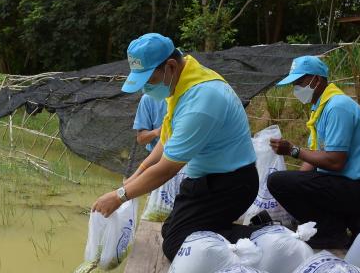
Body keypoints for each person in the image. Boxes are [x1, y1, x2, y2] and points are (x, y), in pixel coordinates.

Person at [92, 33, 259, 261]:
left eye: (148, 81)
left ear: (170, 66)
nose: (145, 90)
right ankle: (222, 230)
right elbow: (167, 140)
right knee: (169, 231)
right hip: (206, 178)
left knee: (176, 245)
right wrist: (137, 174)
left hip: (231, 184)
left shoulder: (202, 99)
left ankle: (264, 236)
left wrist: (120, 196)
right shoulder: (181, 84)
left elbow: (167, 169)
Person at [267, 55, 360, 248]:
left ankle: (330, 232)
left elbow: (335, 162)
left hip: (354, 187)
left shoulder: (337, 107)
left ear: (316, 80)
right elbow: (316, 154)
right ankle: (350, 219)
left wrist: (293, 150)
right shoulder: (321, 107)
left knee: (277, 181)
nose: (296, 89)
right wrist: (295, 184)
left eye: (299, 83)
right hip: (340, 185)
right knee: (283, 182)